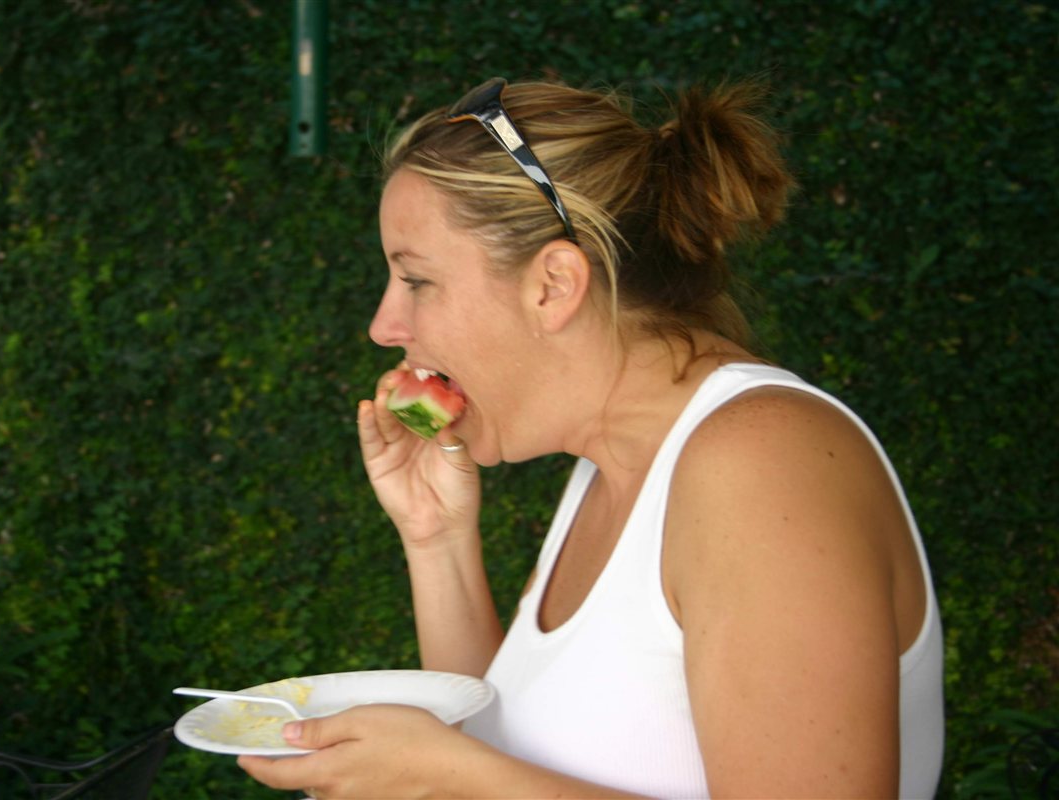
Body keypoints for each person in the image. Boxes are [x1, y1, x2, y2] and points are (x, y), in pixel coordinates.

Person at [238, 76, 945, 799]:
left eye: (415, 280)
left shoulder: (762, 462)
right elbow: (507, 745)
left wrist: (447, 775)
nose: (384, 326)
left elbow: (477, 777)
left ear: (553, 284)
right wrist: (437, 540)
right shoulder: (610, 471)